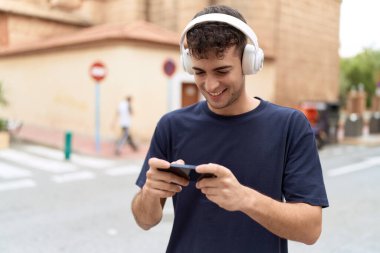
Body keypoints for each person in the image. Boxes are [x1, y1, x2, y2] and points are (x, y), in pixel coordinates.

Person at [132, 5, 328, 253]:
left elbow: (310, 230)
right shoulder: (171, 126)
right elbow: (145, 220)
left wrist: (245, 199)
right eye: (199, 72)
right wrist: (150, 193)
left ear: (248, 62)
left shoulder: (290, 125)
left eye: (222, 71)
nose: (210, 85)